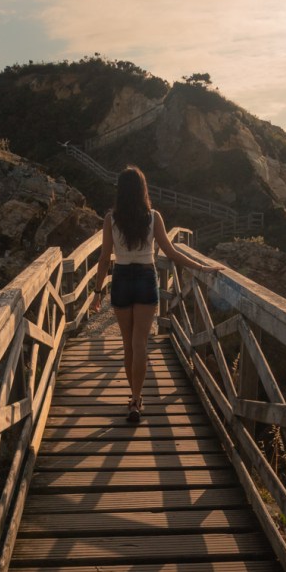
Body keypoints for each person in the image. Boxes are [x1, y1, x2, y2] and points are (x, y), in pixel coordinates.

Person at [90, 165, 223, 423]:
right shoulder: (153, 217)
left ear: (120, 191)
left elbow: (105, 258)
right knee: (140, 343)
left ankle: (133, 397)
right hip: (145, 278)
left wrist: (97, 292)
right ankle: (137, 399)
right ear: (142, 189)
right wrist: (202, 267)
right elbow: (171, 252)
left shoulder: (111, 219)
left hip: (121, 279)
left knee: (127, 344)